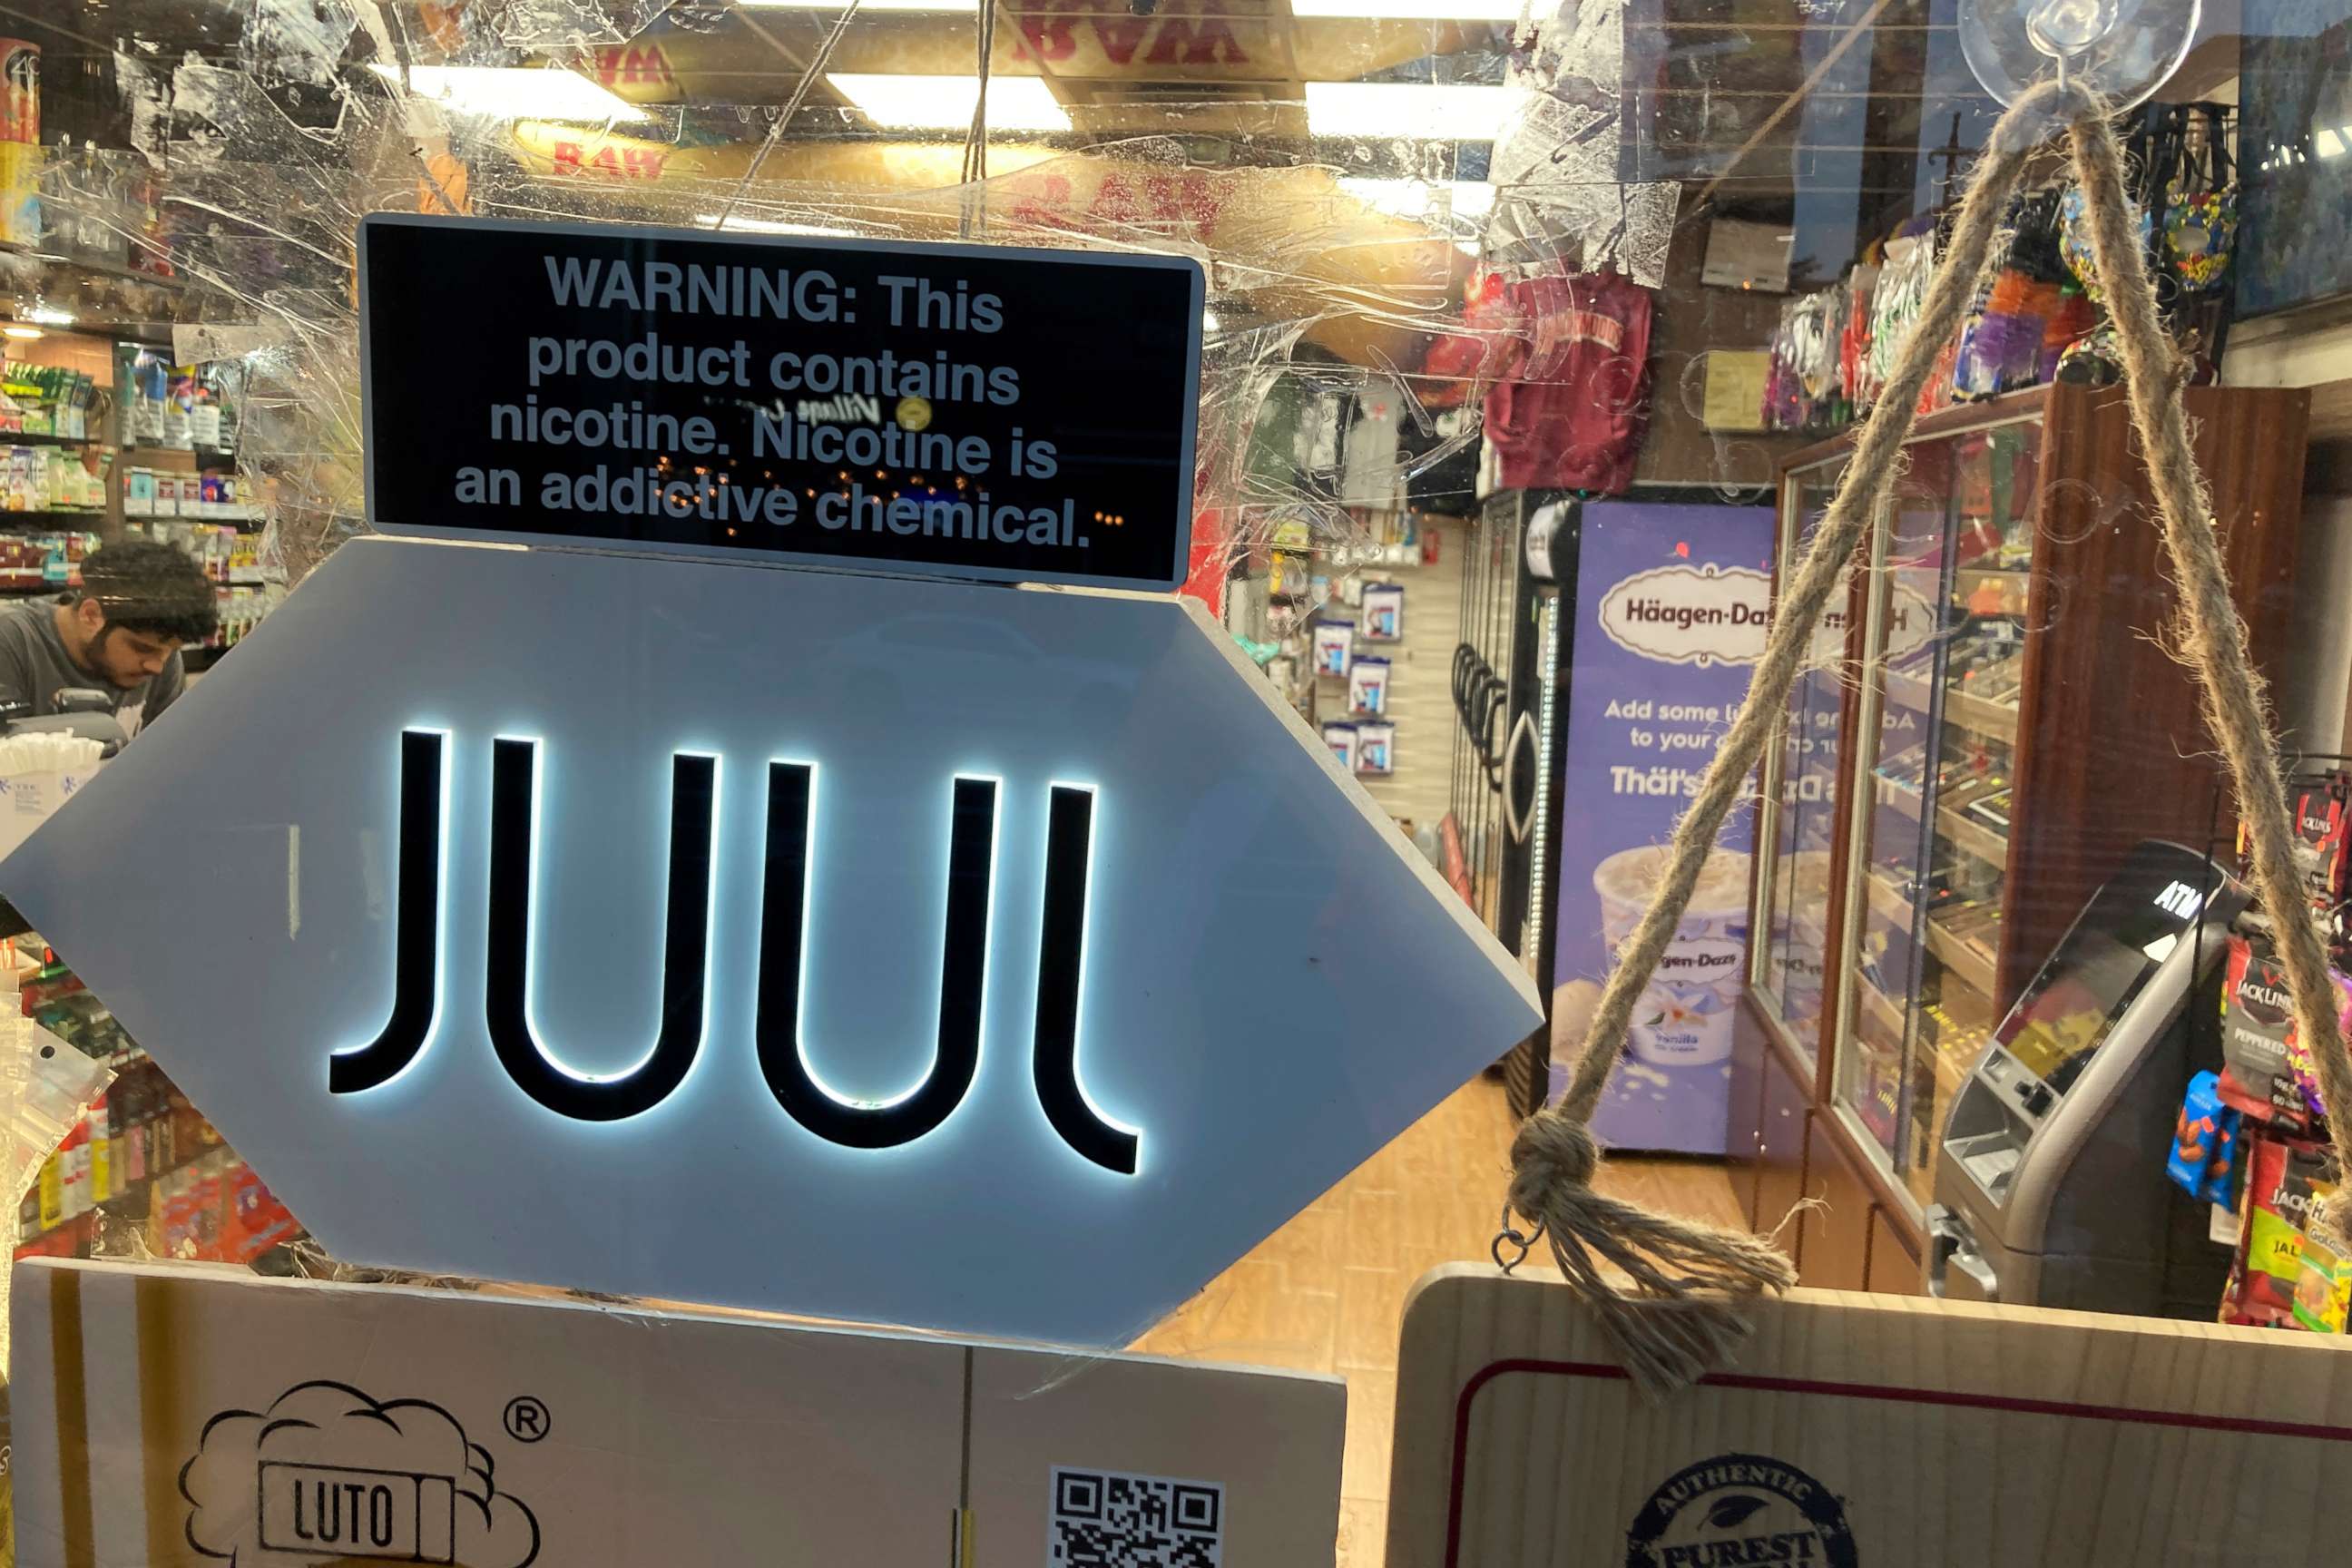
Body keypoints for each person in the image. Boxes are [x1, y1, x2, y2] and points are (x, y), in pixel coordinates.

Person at [0, 540, 218, 739]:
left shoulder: (163, 656)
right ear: (91, 616)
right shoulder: (11, 641)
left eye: (170, 650)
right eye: (142, 648)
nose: (156, 667)